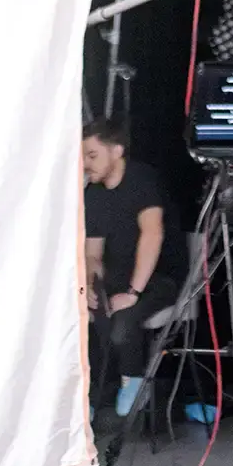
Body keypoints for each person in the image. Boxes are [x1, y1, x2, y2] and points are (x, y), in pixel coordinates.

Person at [82, 118, 189, 416]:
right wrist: (89, 285)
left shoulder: (143, 180)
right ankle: (88, 398)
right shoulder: (94, 194)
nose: (86, 164)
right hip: (118, 279)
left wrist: (133, 291)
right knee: (86, 315)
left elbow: (153, 233)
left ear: (116, 150)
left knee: (123, 322)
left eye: (92, 155)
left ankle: (134, 383)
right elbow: (93, 254)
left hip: (159, 278)